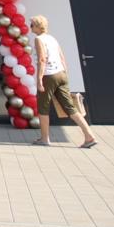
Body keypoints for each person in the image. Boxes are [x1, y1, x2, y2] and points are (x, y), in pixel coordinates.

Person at [30, 15, 98, 149]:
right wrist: (65, 73)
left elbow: (42, 60)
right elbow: (61, 56)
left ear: (38, 26)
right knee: (70, 106)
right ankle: (89, 136)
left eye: (32, 25)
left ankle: (45, 138)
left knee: (43, 107)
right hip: (61, 74)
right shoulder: (52, 38)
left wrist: (39, 80)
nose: (30, 27)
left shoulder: (39, 39)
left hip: (48, 75)